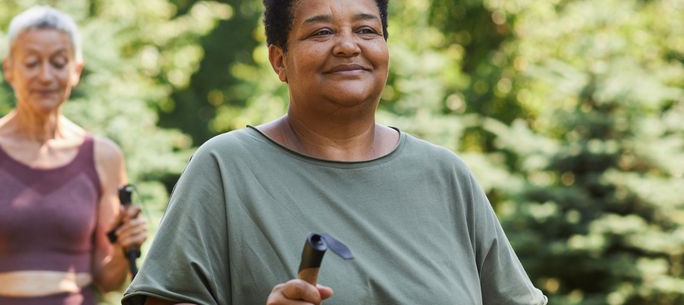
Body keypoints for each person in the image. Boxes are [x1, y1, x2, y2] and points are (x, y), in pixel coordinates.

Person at [122, 0, 548, 304]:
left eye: (366, 30)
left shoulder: (445, 174)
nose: (348, 45)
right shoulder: (227, 167)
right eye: (321, 31)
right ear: (279, 60)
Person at [0, 6, 149, 305]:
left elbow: (108, 281)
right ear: (9, 69)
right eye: (31, 63)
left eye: (58, 63)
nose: (45, 76)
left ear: (76, 70)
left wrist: (127, 247)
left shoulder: (103, 155)